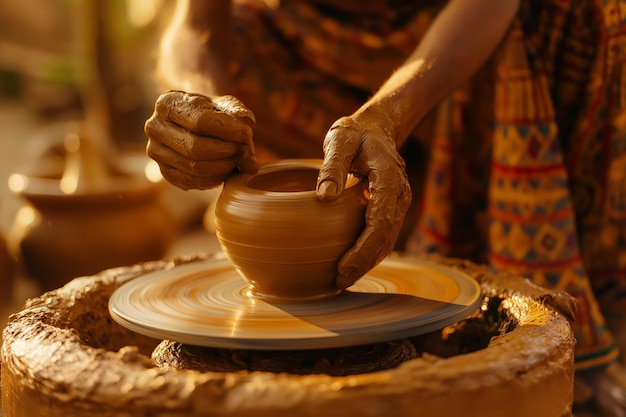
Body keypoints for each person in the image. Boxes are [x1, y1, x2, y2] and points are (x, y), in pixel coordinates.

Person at [145, 0, 626, 414]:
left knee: (579, 8)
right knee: (245, 37)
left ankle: (563, 340)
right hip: (310, 55)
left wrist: (388, 116)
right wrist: (196, 99)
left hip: (458, 46)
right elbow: (195, 22)